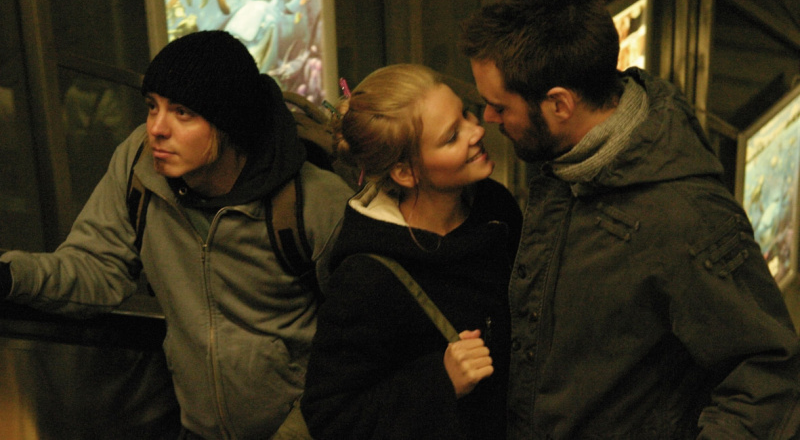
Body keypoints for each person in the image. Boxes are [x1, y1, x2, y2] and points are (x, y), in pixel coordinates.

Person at [458, 0, 800, 439]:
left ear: (559, 104)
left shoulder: (686, 218)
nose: (488, 119)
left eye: (499, 106)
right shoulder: (569, 164)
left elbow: (769, 375)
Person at [0, 30, 353, 440]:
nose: (156, 128)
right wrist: (11, 275)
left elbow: (357, 347)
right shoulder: (139, 167)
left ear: (229, 123)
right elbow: (97, 267)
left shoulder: (313, 202)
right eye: (152, 106)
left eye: (182, 112)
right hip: (196, 429)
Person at [300, 63, 523, 439]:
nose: (477, 131)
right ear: (405, 172)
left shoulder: (494, 206)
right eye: (451, 137)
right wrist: (440, 381)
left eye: (465, 114)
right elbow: (331, 416)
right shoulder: (367, 276)